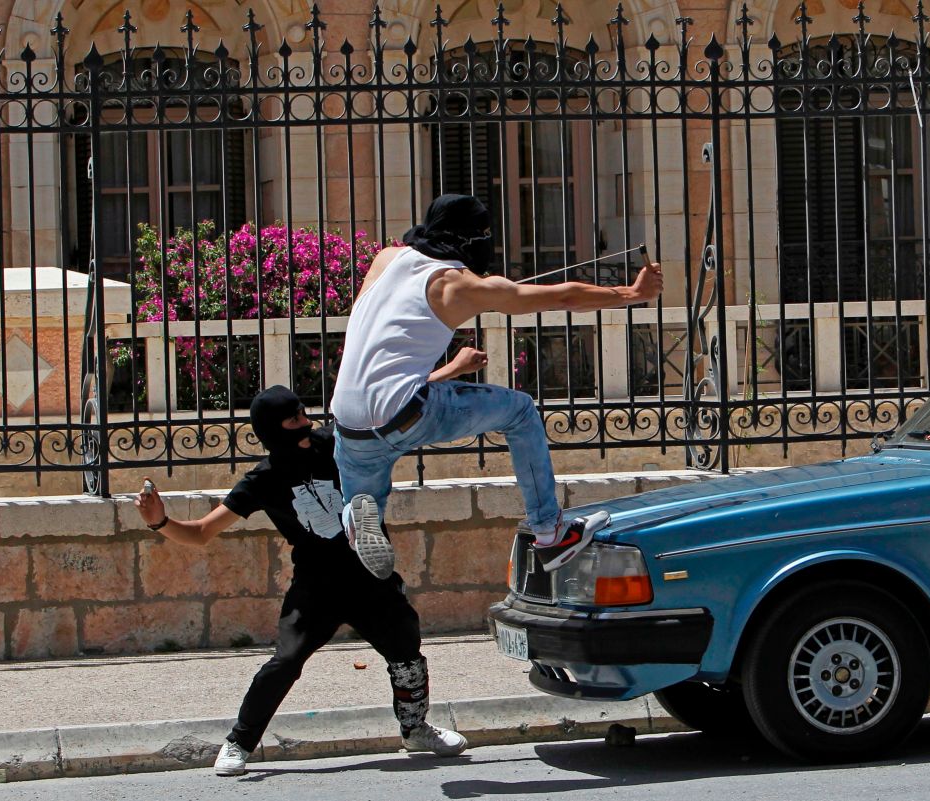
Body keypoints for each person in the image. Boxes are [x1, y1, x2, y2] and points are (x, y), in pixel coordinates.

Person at [134, 384, 473, 777]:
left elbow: (395, 405)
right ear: (274, 430)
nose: (306, 421)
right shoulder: (263, 479)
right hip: (316, 589)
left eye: (303, 412)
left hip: (370, 576)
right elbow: (201, 532)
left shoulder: (336, 444)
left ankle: (415, 730)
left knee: (407, 654)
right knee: (286, 662)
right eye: (293, 418)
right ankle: (239, 742)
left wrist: (451, 371)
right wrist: (158, 521)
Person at [332, 193, 663, 580]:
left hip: (348, 421)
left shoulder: (385, 260)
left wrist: (447, 372)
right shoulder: (459, 285)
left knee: (367, 495)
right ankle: (550, 532)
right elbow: (563, 296)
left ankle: (355, 514)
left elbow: (381, 352)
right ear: (473, 239)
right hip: (408, 411)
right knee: (520, 411)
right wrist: (632, 293)